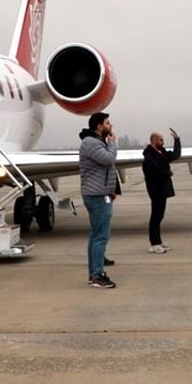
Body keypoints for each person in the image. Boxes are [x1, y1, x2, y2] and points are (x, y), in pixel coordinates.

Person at [79, 111, 120, 289]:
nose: (110, 126)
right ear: (99, 126)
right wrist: (113, 143)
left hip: (99, 194)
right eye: (108, 123)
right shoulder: (91, 143)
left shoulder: (95, 142)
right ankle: (97, 274)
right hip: (96, 196)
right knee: (100, 237)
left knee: (96, 235)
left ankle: (94, 273)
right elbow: (108, 160)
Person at [142, 128, 182, 253]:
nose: (163, 142)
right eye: (160, 140)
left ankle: (158, 241)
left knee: (159, 216)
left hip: (162, 189)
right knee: (155, 216)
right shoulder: (149, 156)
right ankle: (153, 243)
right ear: (154, 141)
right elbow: (154, 171)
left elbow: (175, 155)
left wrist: (177, 140)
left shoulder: (160, 153)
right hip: (156, 190)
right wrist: (168, 172)